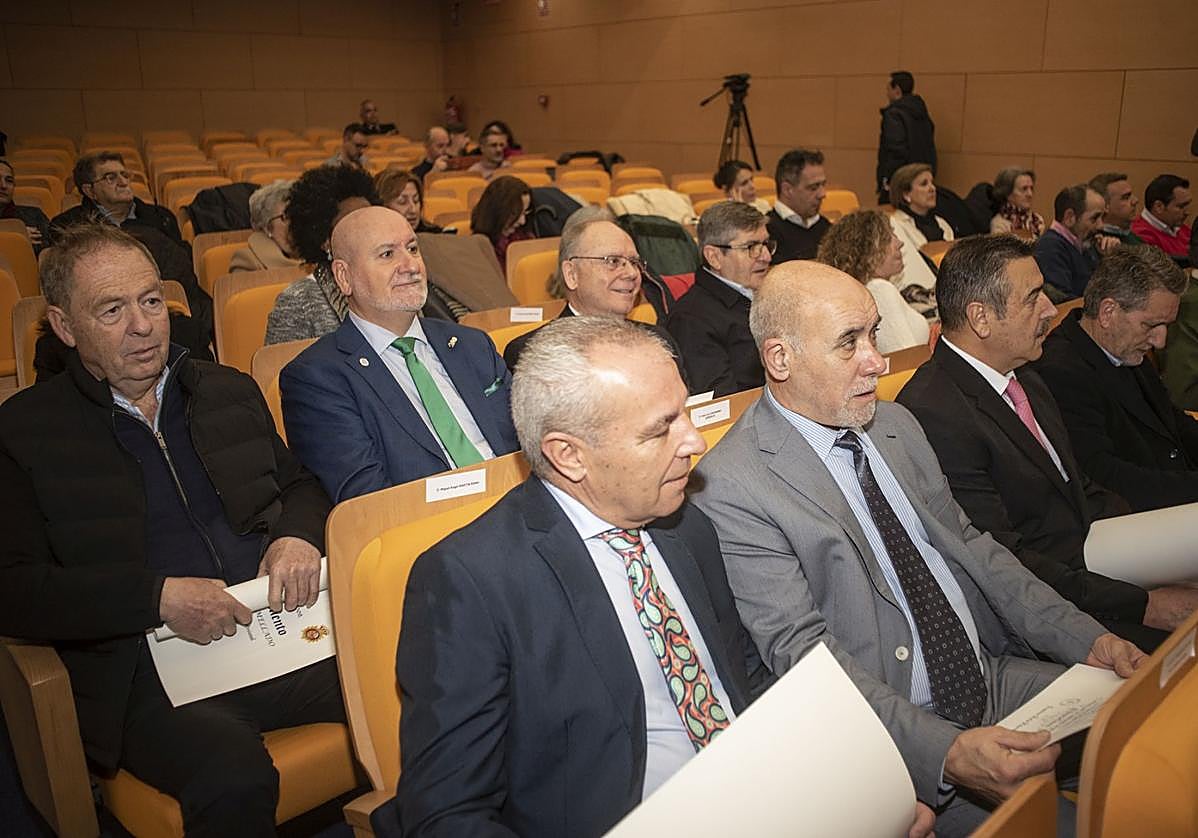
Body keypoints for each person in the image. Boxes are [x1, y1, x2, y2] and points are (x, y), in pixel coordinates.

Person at [376, 316, 939, 838]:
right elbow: (445, 813)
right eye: (660, 430)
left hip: (764, 799)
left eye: (686, 414)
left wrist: (857, 786)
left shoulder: (685, 522)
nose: (694, 442)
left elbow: (748, 679)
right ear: (569, 456)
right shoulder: (470, 580)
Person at [691, 259, 1145, 837]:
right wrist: (947, 752)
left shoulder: (895, 425)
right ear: (781, 358)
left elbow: (976, 551)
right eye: (848, 343)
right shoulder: (734, 485)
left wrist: (1088, 638)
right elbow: (805, 658)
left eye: (874, 333)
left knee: (1156, 717)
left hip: (988, 673)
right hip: (895, 729)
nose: (877, 362)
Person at [0, 224, 341, 838]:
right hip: (148, 669)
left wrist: (297, 535)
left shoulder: (227, 390)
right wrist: (154, 597)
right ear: (65, 326)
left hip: (275, 632)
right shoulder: (23, 434)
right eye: (112, 309)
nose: (143, 325)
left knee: (427, 677)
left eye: (151, 301)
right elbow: (16, 589)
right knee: (234, 778)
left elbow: (301, 486)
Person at [898, 235, 1194, 652]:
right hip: (1044, 614)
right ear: (981, 319)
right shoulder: (935, 412)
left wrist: (1161, 559)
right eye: (1033, 297)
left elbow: (1082, 492)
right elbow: (1005, 563)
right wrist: (1143, 603)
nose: (1051, 310)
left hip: (1095, 572)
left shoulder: (1027, 377)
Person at [280, 206, 519, 502]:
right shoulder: (317, 378)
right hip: (434, 532)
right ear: (344, 276)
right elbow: (371, 503)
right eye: (387, 254)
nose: (411, 266)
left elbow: (528, 442)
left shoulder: (472, 344)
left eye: (413, 248)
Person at [1034, 245, 1198, 512]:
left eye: (1166, 326)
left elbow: (1173, 422)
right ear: (1108, 312)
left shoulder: (1123, 346)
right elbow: (1106, 478)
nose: (1161, 340)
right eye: (1151, 325)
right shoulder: (1060, 372)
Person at [502, 213, 682, 371]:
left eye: (634, 262)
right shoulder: (533, 354)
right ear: (572, 274)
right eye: (612, 261)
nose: (632, 273)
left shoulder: (659, 341)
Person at [666, 201, 771, 396]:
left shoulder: (771, 294)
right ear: (714, 257)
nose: (765, 256)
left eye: (765, 244)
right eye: (751, 247)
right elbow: (720, 403)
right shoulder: (691, 319)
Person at [264, 164, 378, 345]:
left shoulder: (395, 281)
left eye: (373, 220)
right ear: (326, 241)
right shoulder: (298, 303)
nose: (371, 231)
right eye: (355, 225)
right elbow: (281, 369)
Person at [817, 208, 929, 354]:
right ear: (867, 250)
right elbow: (906, 357)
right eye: (889, 238)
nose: (900, 243)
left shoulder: (864, 289)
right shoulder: (879, 289)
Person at [51, 152, 184, 246]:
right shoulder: (67, 226)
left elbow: (182, 270)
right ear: (90, 191)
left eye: (125, 175)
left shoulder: (162, 217)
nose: (123, 182)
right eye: (111, 178)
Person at [888, 162, 954, 317]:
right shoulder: (896, 226)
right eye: (924, 184)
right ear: (906, 194)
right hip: (917, 296)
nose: (932, 188)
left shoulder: (943, 224)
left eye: (932, 183)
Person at [1033, 184, 1115, 300]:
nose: (1101, 225)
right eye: (1094, 218)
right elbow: (1063, 302)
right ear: (1069, 217)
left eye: (1103, 218)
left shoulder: (1086, 244)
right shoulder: (1049, 247)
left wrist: (1108, 257)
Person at [876, 71, 937, 204]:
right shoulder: (922, 114)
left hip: (901, 182)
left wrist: (888, 179)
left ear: (897, 90)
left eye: (888, 89)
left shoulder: (894, 115)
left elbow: (896, 150)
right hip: (921, 179)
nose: (887, 94)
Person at [766, 148, 830, 263]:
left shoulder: (827, 228)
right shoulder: (767, 232)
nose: (822, 194)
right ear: (787, 189)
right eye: (813, 188)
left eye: (823, 185)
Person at [228, 179, 302, 272]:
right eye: (286, 217)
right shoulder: (247, 261)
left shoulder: (316, 254)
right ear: (266, 227)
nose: (295, 222)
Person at [469, 174, 532, 271]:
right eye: (514, 214)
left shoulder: (526, 239)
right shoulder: (477, 251)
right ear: (497, 212)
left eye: (525, 212)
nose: (522, 221)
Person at [1131, 174, 1192, 263]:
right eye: (1181, 206)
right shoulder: (1140, 237)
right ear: (1159, 207)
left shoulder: (1179, 226)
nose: (1187, 212)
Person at [0, 158, 50, 253]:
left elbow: (48, 254)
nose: (3, 186)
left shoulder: (34, 216)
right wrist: (17, 238)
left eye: (9, 181)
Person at [375, 168, 445, 234]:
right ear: (383, 206)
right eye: (402, 202)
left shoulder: (436, 236)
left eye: (416, 201)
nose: (413, 210)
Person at [1089, 172, 1143, 246]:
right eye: (1126, 197)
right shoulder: (1098, 243)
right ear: (1104, 206)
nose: (1135, 201)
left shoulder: (1134, 237)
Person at [989, 167, 1045, 238]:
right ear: (1008, 193)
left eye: (1031, 188)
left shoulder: (1037, 220)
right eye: (1024, 189)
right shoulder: (999, 224)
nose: (1030, 194)